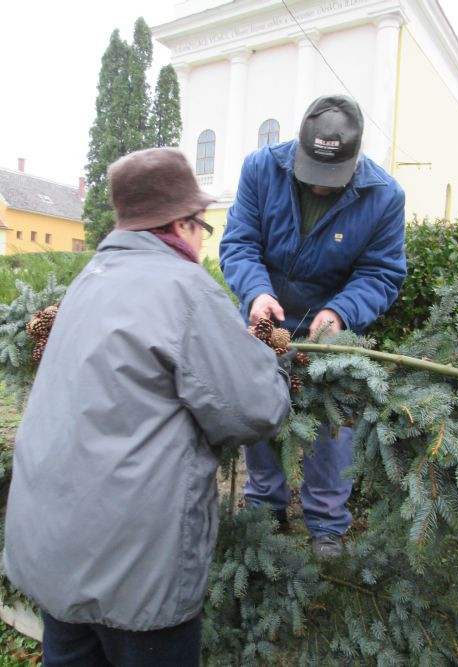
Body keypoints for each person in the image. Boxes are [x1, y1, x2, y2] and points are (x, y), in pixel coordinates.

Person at [4, 147, 291, 667]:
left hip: (54, 554)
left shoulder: (86, 283)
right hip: (138, 572)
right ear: (182, 224)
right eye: (203, 224)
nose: (204, 240)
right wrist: (270, 361)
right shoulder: (185, 288)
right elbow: (252, 410)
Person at [220, 94, 406, 558]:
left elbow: (381, 273)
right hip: (267, 313)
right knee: (259, 407)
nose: (320, 187)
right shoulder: (261, 169)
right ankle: (266, 505)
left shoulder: (384, 196)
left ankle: (327, 522)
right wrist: (257, 293)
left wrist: (340, 313)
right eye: (312, 176)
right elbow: (239, 243)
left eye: (332, 179)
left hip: (329, 322)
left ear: (355, 158)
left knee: (333, 419)